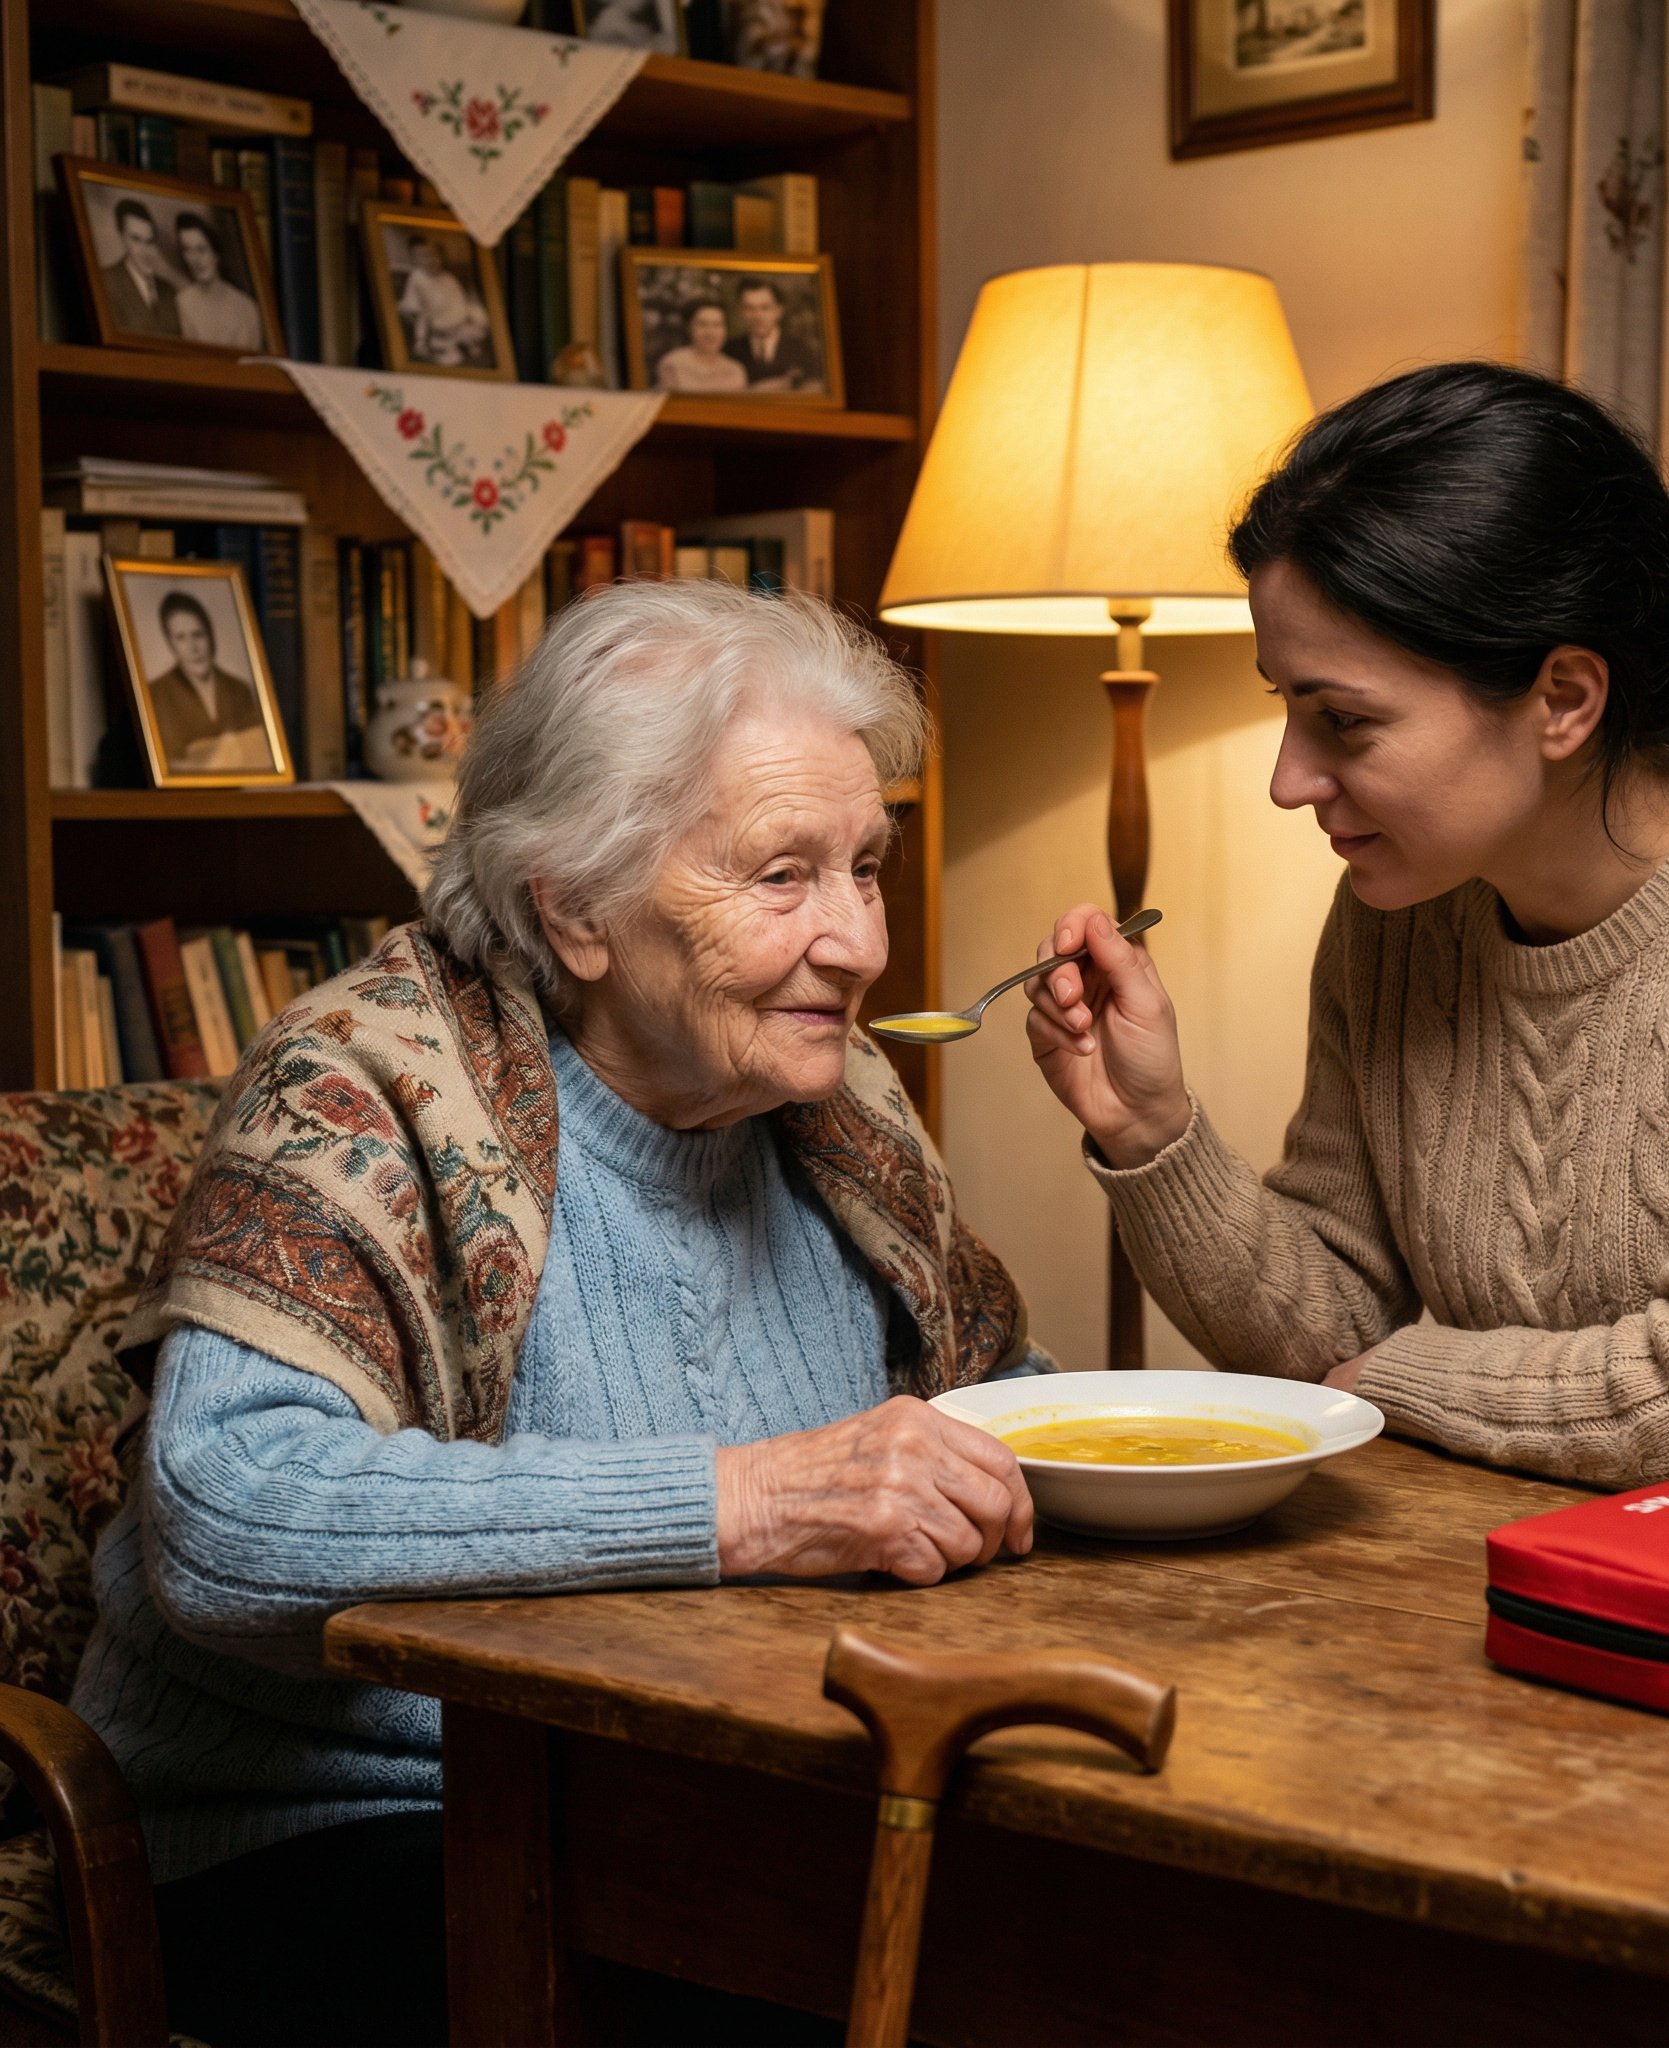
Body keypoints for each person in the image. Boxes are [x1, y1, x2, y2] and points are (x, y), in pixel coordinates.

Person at [77, 581, 1049, 2046]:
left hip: (710, 1799)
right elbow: (228, 1511)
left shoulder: (839, 1105)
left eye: (867, 866)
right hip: (346, 1831)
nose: (857, 942)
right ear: (574, 911)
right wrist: (752, 1504)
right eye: (783, 876)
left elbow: (983, 1397)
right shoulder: (361, 1087)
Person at [1026, 362, 1669, 1506]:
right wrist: (1151, 1127)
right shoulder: (1397, 916)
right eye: (1285, 707)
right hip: (1513, 1575)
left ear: (1562, 698)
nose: (1289, 780)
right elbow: (1324, 1334)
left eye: (1342, 718)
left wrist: (1389, 1380)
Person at [145, 590, 272, 774]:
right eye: (181, 637)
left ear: (210, 635)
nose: (192, 647)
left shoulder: (239, 689)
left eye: (198, 635)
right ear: (170, 643)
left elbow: (258, 755)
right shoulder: (156, 693)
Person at [395, 233, 491, 368]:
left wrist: (462, 317)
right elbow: (412, 302)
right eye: (423, 256)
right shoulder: (417, 278)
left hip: (456, 319)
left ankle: (465, 343)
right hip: (434, 321)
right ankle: (430, 344)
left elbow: (459, 300)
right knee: (424, 322)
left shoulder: (448, 278)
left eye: (433, 255)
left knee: (478, 317)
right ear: (414, 260)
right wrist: (413, 310)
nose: (429, 260)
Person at [172, 212, 263, 351]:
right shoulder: (182, 303)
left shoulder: (247, 308)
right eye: (187, 250)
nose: (195, 260)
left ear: (216, 253)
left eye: (201, 250)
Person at [98, 196, 182, 338]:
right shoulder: (105, 281)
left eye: (149, 241)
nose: (145, 251)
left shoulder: (169, 292)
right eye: (136, 239)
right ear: (122, 237)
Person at [725, 276, 823, 391]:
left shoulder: (802, 349)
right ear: (740, 311)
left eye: (765, 308)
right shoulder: (729, 350)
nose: (757, 316)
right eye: (749, 308)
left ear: (779, 310)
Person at [655, 296, 749, 393]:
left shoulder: (736, 370)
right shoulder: (673, 365)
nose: (711, 332)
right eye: (702, 324)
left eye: (717, 325)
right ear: (689, 328)